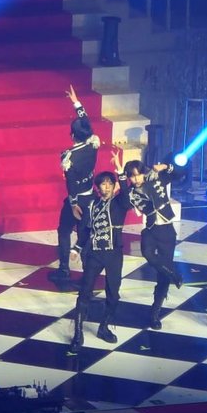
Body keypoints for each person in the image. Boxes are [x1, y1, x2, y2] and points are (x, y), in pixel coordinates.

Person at [70, 150, 132, 352]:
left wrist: (120, 172)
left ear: (114, 186)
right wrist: (77, 248)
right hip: (95, 254)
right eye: (102, 184)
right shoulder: (92, 205)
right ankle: (77, 332)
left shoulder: (119, 203)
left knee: (113, 293)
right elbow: (86, 230)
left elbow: (127, 196)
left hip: (114, 254)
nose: (106, 187)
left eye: (109, 184)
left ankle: (104, 327)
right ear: (97, 187)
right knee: (85, 291)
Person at [123, 158, 184, 330]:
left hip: (167, 230)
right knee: (147, 253)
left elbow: (180, 173)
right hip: (150, 229)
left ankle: (155, 313)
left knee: (162, 277)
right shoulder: (130, 193)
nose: (136, 179)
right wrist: (121, 175)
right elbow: (124, 200)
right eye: (132, 176)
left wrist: (164, 166)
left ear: (144, 173)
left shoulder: (156, 179)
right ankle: (174, 274)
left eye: (138, 175)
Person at [49, 84, 100, 283]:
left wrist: (73, 203)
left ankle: (64, 269)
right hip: (91, 196)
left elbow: (70, 183)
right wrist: (76, 102)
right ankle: (88, 274)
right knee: (85, 232)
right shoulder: (93, 144)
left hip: (77, 201)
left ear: (72, 136)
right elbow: (86, 123)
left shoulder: (69, 156)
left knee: (64, 231)